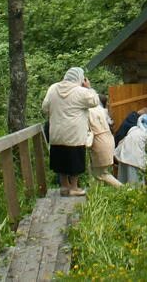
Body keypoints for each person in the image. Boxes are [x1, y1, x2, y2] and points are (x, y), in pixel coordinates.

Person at [42, 67, 99, 197]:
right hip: (74, 134)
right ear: (80, 78)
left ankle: (64, 187)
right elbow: (95, 101)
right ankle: (73, 187)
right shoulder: (81, 91)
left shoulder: (53, 88)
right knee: (75, 161)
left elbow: (45, 108)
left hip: (56, 133)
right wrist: (88, 87)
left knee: (60, 160)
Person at [87, 95, 122, 188]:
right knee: (99, 173)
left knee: (102, 174)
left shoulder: (88, 112)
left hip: (100, 142)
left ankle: (126, 190)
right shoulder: (101, 110)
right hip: (108, 139)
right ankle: (99, 193)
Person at [114, 113, 147, 185]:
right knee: (135, 185)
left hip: (123, 157)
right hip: (135, 160)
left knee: (123, 183)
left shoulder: (133, 129)